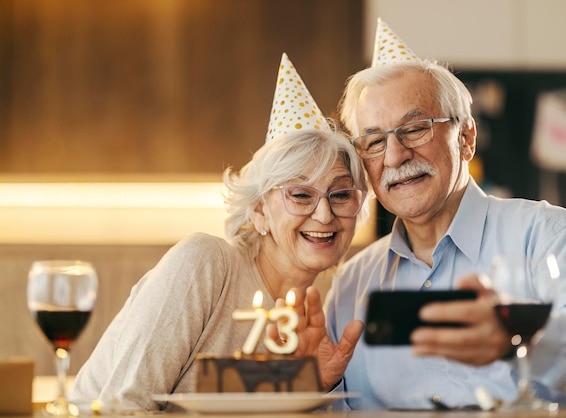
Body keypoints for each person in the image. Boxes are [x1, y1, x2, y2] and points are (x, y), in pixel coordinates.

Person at [319, 19, 566, 410]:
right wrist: (319, 387)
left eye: (414, 129)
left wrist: (524, 338)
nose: (394, 156)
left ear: (465, 138)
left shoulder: (547, 234)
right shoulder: (351, 283)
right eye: (375, 141)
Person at [68, 53, 368, 412]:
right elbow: (122, 408)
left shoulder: (316, 317)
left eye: (340, 194)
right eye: (301, 195)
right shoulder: (206, 263)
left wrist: (314, 389)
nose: (324, 213)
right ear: (259, 212)